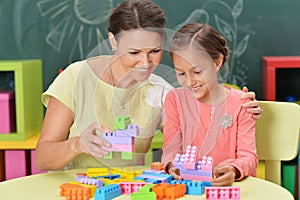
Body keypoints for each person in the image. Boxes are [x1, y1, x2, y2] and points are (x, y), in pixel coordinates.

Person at [35, 0, 262, 171]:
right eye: (134, 52)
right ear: (113, 40)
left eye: (154, 51)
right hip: (78, 188)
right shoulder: (77, 77)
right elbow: (43, 158)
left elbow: (205, 120)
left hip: (131, 190)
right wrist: (77, 145)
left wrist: (243, 105)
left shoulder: (163, 92)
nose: (146, 63)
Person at [161, 23, 258, 186]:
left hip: (232, 187)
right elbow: (170, 150)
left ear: (217, 62)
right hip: (190, 188)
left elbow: (249, 156)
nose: (190, 81)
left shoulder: (241, 103)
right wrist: (171, 166)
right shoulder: (174, 100)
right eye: (181, 73)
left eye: (198, 71)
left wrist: (233, 169)